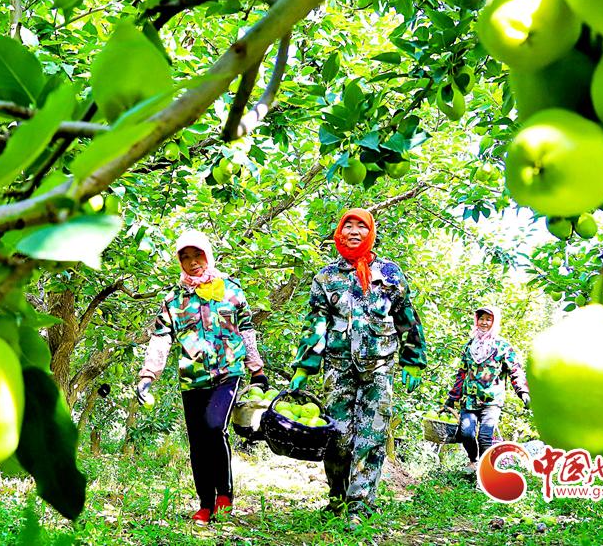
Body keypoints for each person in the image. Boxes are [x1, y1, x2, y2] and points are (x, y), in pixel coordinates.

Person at [290, 208, 427, 520]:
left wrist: (413, 360)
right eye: (348, 225)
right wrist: (303, 367)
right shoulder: (326, 277)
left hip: (379, 368)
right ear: (339, 231)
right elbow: (315, 325)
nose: (354, 231)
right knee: (336, 437)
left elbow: (407, 318)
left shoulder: (390, 274)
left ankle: (360, 505)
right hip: (338, 368)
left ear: (371, 233)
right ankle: (337, 495)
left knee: (371, 437)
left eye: (361, 227)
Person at [135, 229, 267, 526]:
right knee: (197, 440)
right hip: (192, 379)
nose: (193, 262)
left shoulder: (231, 290)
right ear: (179, 262)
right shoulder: (174, 299)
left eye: (197, 255)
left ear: (208, 254)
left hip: (228, 373)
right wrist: (148, 376)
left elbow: (246, 330)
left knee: (213, 427)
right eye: (185, 257)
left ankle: (225, 496)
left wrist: (256, 369)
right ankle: (205, 503)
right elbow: (160, 339)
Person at [444, 306, 530, 474]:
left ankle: (485, 470)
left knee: (485, 436)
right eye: (481, 319)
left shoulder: (502, 346)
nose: (484, 322)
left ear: (494, 322)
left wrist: (523, 391)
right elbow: (462, 373)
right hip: (469, 400)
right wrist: (452, 397)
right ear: (477, 321)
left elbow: (515, 370)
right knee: (466, 432)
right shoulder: (470, 346)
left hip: (492, 400)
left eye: (488, 319)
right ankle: (473, 461)